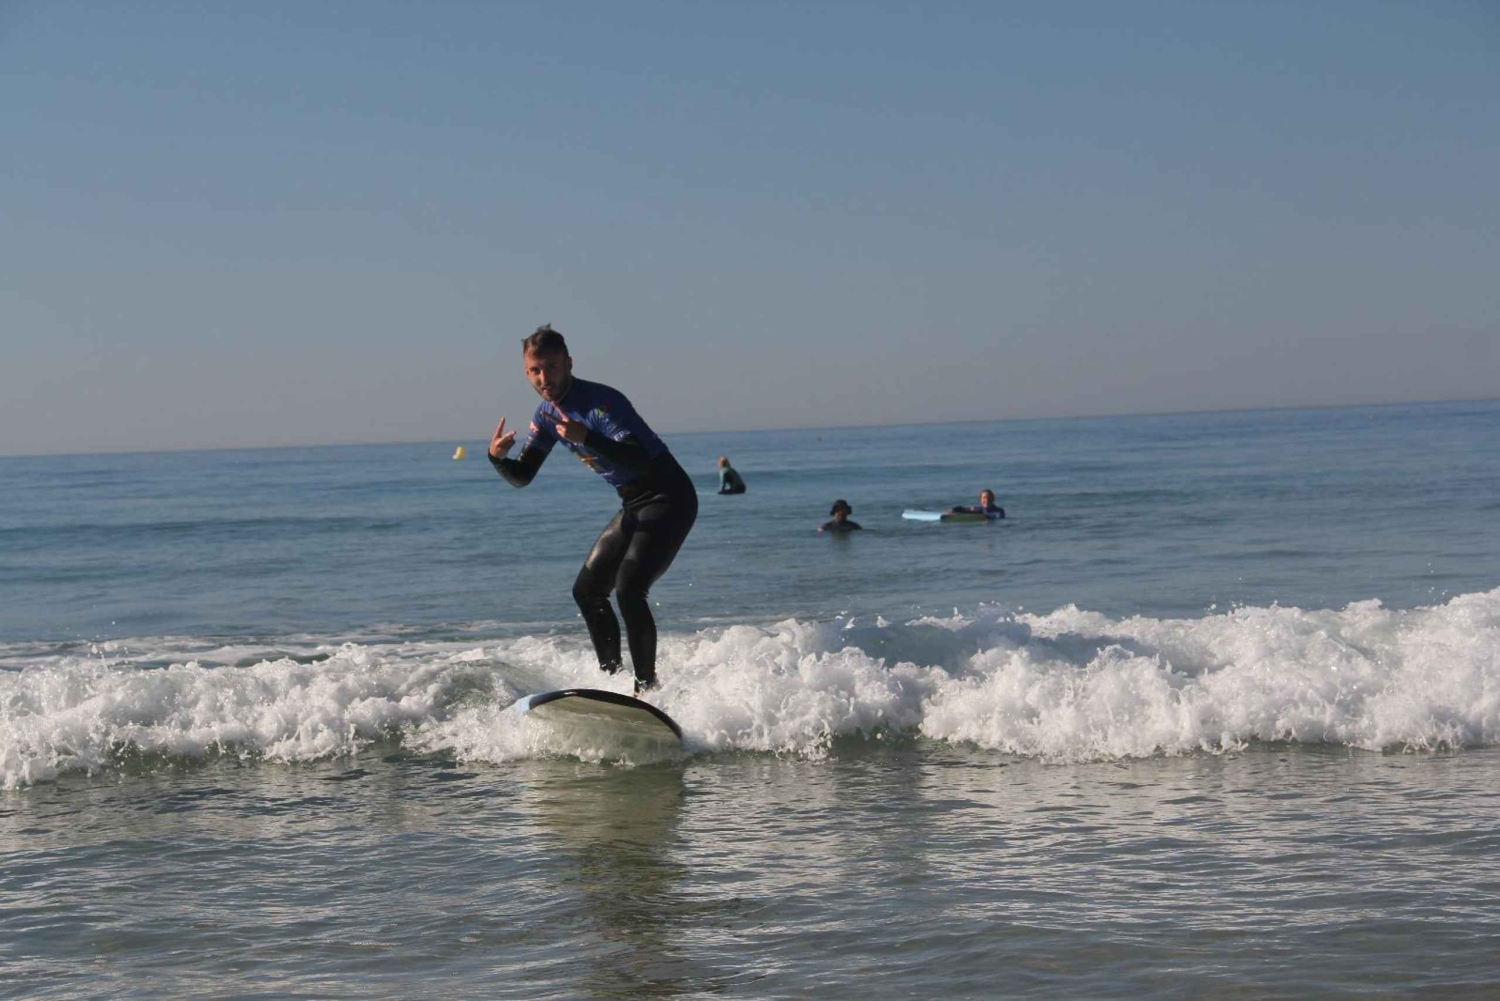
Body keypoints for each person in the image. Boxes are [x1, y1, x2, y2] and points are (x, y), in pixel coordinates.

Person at [487, 325, 697, 695]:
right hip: (634, 503)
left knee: (630, 590)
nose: (543, 378)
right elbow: (523, 476)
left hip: (670, 497)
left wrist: (587, 437)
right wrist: (498, 459)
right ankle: (611, 685)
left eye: (551, 367)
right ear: (526, 372)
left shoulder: (601, 404)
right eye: (535, 371)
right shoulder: (547, 415)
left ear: (568, 363)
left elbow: (641, 460)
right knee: (587, 591)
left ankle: (647, 689)